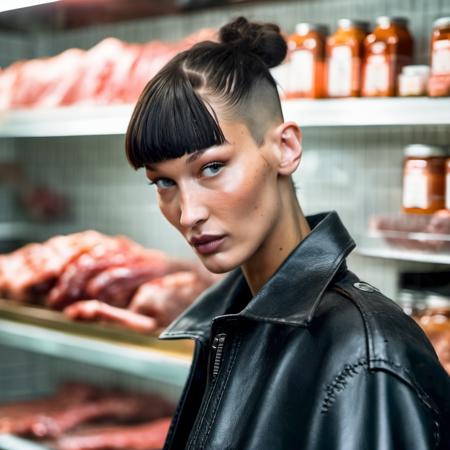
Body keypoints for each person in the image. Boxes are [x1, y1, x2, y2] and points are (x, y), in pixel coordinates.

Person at [125, 16, 450, 450]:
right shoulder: (232, 322)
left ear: (285, 148)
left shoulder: (367, 356)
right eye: (163, 182)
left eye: (212, 167)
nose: (188, 213)